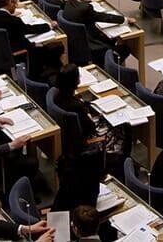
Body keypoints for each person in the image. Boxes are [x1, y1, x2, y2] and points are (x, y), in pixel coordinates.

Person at [50, 63, 130, 210]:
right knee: (123, 128)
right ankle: (120, 162)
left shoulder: (57, 97)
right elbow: (91, 128)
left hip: (69, 143)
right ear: (76, 81)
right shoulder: (76, 106)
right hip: (86, 143)